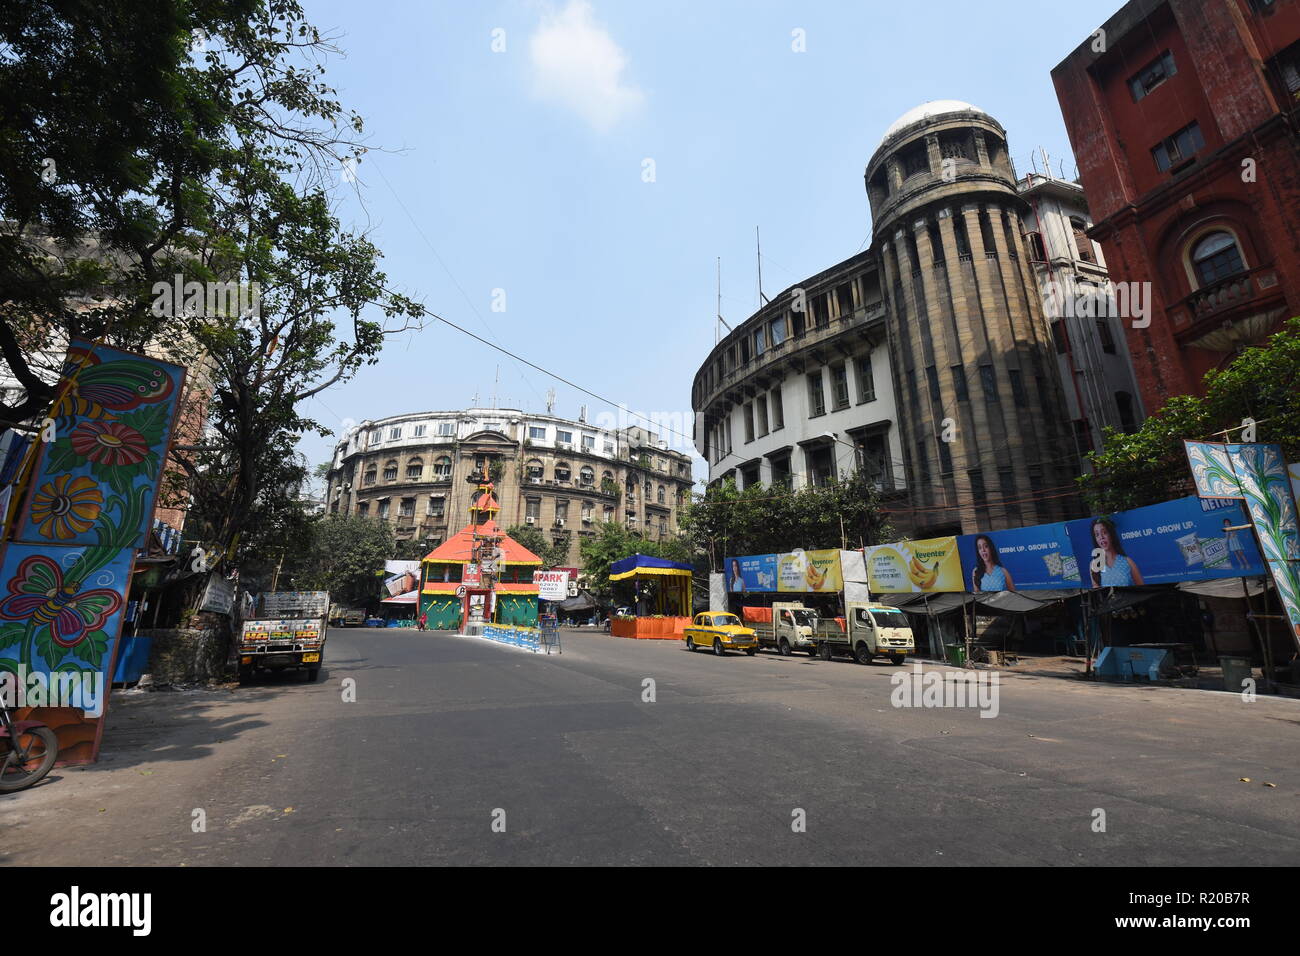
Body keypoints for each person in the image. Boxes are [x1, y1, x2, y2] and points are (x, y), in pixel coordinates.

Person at [1089, 517, 1144, 587]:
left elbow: (1142, 590)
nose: (1101, 537)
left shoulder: (1128, 562)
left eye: (1104, 532)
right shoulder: (1094, 565)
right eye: (1097, 534)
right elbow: (1097, 593)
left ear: (1111, 534)